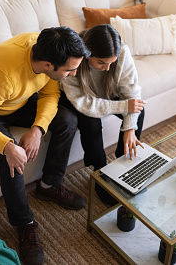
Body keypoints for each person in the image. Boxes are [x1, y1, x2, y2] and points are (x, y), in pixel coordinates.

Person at [0, 27, 90, 265]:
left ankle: (49, 185)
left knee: (68, 120)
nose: (74, 74)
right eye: (70, 70)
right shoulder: (3, 72)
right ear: (48, 65)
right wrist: (8, 146)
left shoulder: (44, 47)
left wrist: (37, 129)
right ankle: (24, 223)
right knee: (8, 155)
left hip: (17, 102)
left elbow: (50, 95)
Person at [60, 24, 146, 205]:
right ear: (88, 52)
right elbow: (85, 104)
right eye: (101, 63)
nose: (107, 69)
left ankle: (123, 162)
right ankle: (99, 171)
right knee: (90, 122)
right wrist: (124, 107)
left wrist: (129, 127)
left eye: (111, 63)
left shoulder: (121, 52)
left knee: (140, 111)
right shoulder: (72, 59)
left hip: (107, 92)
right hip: (80, 98)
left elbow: (132, 94)